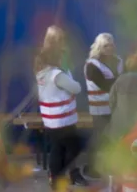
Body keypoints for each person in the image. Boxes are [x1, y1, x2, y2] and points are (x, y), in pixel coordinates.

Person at [35, 42, 86, 187]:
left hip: (50, 120)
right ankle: (60, 177)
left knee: (57, 149)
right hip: (63, 120)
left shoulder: (41, 73)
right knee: (73, 148)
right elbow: (76, 88)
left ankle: (56, 181)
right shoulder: (56, 74)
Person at [85, 33, 122, 174]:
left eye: (111, 45)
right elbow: (105, 85)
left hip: (115, 108)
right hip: (99, 109)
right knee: (99, 139)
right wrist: (120, 81)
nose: (109, 48)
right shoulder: (91, 65)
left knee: (114, 138)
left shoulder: (118, 61)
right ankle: (92, 168)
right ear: (99, 47)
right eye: (105, 45)